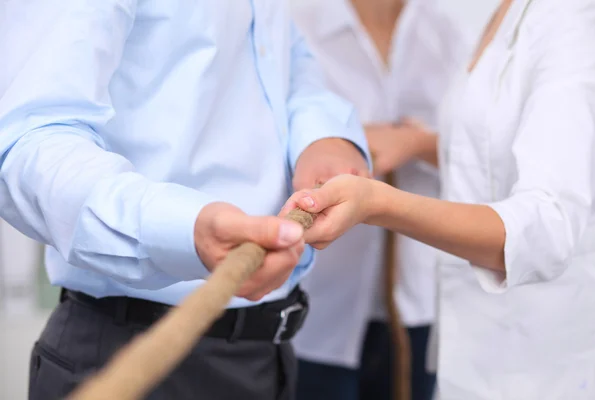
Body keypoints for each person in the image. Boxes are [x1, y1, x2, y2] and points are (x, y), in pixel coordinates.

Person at [0, 1, 371, 399]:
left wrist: (323, 136)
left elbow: (288, 60)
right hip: (135, 357)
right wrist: (182, 229)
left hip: (266, 356)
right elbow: (28, 142)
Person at [283, 0, 595, 398]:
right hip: (463, 339)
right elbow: (481, 154)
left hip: (532, 356)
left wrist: (381, 202)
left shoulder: (570, 21)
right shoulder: (508, 15)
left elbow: (547, 226)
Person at [291, 0, 466, 399]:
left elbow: (483, 154)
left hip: (416, 297)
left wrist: (415, 143)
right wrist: (349, 142)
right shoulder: (297, 23)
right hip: (320, 299)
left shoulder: (446, 33)